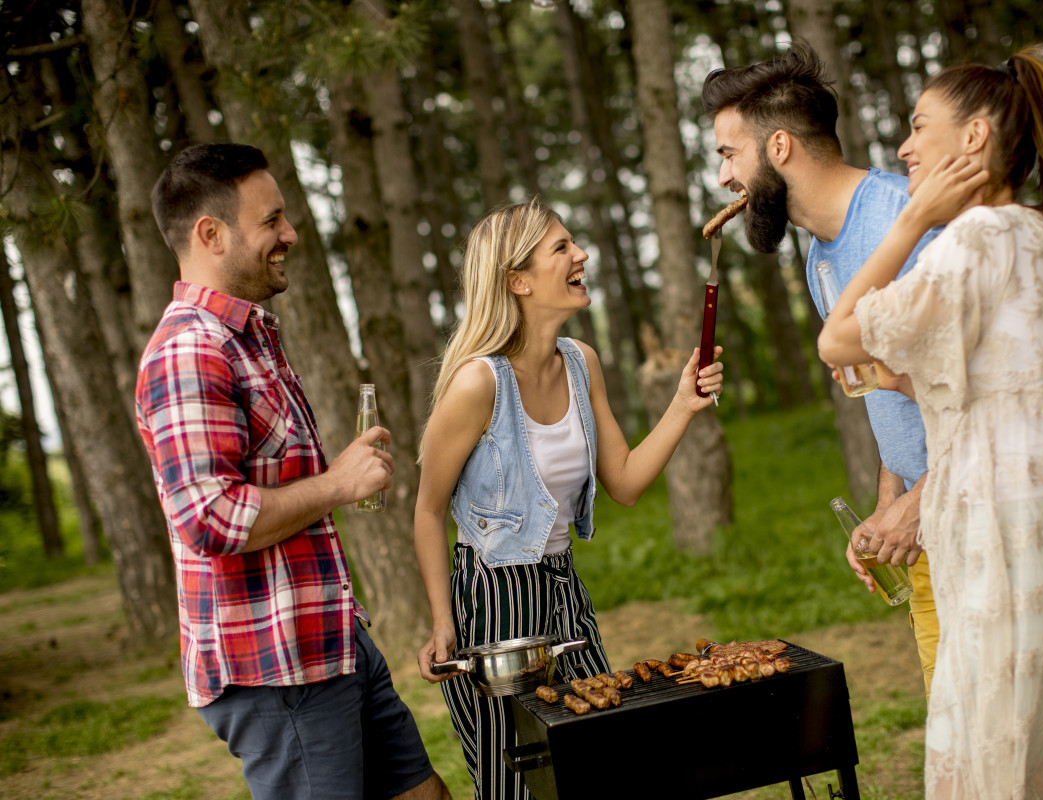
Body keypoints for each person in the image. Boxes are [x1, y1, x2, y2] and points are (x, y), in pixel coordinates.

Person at [702, 44, 1043, 798]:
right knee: (981, 743)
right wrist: (890, 500)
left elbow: (1000, 387)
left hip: (1014, 512)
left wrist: (922, 498)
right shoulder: (822, 256)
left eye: (727, 152)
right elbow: (894, 392)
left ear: (778, 147)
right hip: (938, 522)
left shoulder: (916, 222)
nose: (723, 178)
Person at [812, 46, 1043, 797]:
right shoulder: (1031, 237)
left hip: (998, 541)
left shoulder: (973, 240)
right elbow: (995, 395)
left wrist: (910, 220)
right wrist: (899, 379)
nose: (904, 146)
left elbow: (836, 336)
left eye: (920, 127)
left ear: (976, 137)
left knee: (990, 763)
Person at [136, 143, 451, 800]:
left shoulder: (248, 337)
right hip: (276, 673)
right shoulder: (189, 351)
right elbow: (210, 520)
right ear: (211, 233)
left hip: (330, 640)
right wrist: (338, 484)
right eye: (272, 219)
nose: (290, 234)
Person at [414, 197, 723, 800]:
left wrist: (683, 404)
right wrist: (442, 620)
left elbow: (626, 483)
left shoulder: (582, 363)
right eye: (561, 247)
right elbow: (427, 509)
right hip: (492, 604)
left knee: (600, 761)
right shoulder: (478, 383)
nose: (580, 254)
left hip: (563, 591)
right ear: (518, 281)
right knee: (518, 785)